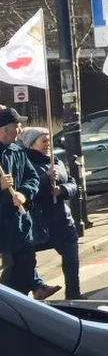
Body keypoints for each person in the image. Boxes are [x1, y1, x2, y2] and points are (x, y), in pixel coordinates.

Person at [18, 127, 80, 300]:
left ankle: (74, 294)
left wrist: (62, 189)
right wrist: (46, 178)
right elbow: (28, 189)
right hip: (38, 221)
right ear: (32, 144)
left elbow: (73, 183)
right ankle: (35, 287)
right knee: (24, 258)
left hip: (61, 219)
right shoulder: (24, 163)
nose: (48, 145)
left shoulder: (56, 160)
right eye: (43, 141)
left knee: (71, 254)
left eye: (49, 141)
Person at [0, 108, 39, 295]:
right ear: (5, 129)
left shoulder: (18, 151)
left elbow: (32, 178)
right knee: (9, 273)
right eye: (17, 126)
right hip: (2, 229)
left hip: (20, 226)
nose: (20, 130)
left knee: (26, 269)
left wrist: (24, 193)